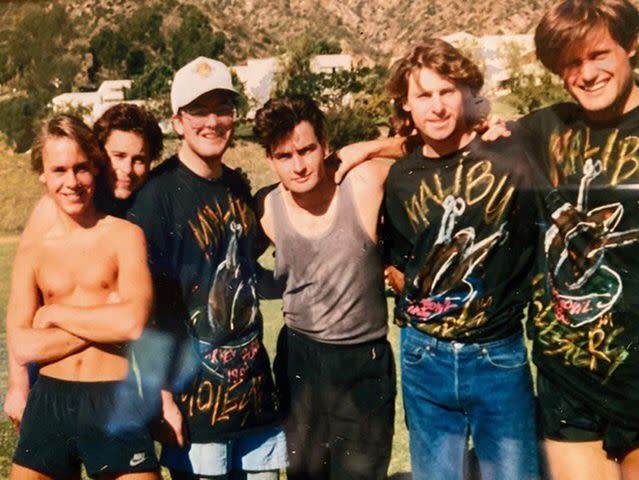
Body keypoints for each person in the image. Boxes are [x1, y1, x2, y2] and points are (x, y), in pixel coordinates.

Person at [349, 38, 539, 480]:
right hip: (423, 358)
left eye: (446, 91)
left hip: (497, 355)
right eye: (424, 95)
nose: (436, 107)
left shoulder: (510, 150)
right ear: (407, 105)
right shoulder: (401, 179)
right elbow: (397, 265)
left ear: (467, 94)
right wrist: (371, 148)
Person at [127, 57, 287, 480]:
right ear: (178, 121)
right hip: (196, 414)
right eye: (200, 111)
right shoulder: (155, 199)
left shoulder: (236, 185)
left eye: (223, 109)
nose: (213, 121)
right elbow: (144, 312)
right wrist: (160, 397)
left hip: (257, 406)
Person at [517, 1, 639, 478]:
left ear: (631, 45)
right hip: (568, 382)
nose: (586, 73)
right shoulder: (542, 130)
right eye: (571, 61)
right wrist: (369, 147)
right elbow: (443, 136)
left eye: (599, 55)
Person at [5, 114, 160, 479]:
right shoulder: (35, 248)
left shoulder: (125, 235)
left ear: (95, 168)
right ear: (41, 173)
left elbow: (133, 323)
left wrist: (56, 313)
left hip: (112, 397)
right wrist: (105, 320)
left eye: (81, 169)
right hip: (49, 402)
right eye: (58, 170)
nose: (71, 181)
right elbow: (22, 344)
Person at [253, 95, 395, 479]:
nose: (298, 166)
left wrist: (370, 147)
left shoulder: (362, 183)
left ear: (326, 145)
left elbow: (424, 144)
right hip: (300, 360)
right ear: (270, 159)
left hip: (362, 361)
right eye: (285, 156)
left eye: (307, 150)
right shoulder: (266, 208)